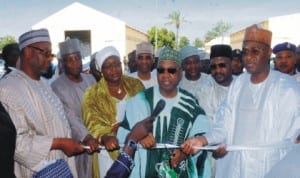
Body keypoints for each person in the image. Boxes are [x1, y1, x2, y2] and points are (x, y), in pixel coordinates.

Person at [180, 24, 300, 178]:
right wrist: (203, 140)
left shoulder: (286, 87)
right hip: (236, 168)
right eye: (245, 52)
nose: (248, 57)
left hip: (272, 167)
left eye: (255, 51)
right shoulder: (239, 84)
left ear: (268, 53)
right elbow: (224, 123)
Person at [0, 29, 85, 177]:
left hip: (61, 166)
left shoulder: (44, 84)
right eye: (45, 53)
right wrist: (60, 143)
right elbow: (17, 144)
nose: (49, 59)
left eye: (50, 54)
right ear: (27, 52)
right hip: (39, 171)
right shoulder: (9, 88)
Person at [118, 46, 211, 178]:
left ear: (180, 73)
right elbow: (122, 135)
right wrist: (138, 137)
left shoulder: (191, 104)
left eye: (171, 70)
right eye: (161, 70)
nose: (165, 75)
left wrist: (185, 152)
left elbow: (202, 141)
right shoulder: (140, 101)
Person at [82, 46, 145, 178]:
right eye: (108, 66)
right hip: (109, 150)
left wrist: (125, 127)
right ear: (101, 71)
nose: (114, 69)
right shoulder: (92, 93)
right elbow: (92, 121)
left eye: (117, 64)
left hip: (136, 146)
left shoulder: (136, 85)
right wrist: (105, 136)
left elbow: (146, 110)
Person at [51, 38, 99, 178]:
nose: (75, 63)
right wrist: (87, 137)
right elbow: (70, 117)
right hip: (78, 143)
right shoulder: (57, 86)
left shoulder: (90, 79)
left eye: (77, 58)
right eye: (70, 60)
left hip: (99, 138)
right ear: (63, 63)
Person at [197, 44, 234, 122]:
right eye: (213, 67)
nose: (218, 71)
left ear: (232, 64)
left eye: (222, 65)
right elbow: (209, 124)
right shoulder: (204, 91)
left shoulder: (242, 85)